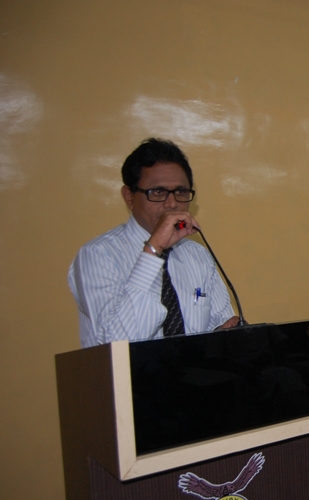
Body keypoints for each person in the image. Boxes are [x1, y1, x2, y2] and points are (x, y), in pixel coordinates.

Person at [68, 138, 238, 347]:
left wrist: (225, 334)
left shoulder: (197, 255)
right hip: (130, 369)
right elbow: (117, 344)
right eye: (158, 192)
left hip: (193, 368)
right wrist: (154, 250)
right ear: (129, 197)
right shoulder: (99, 254)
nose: (172, 203)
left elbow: (218, 324)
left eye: (181, 192)